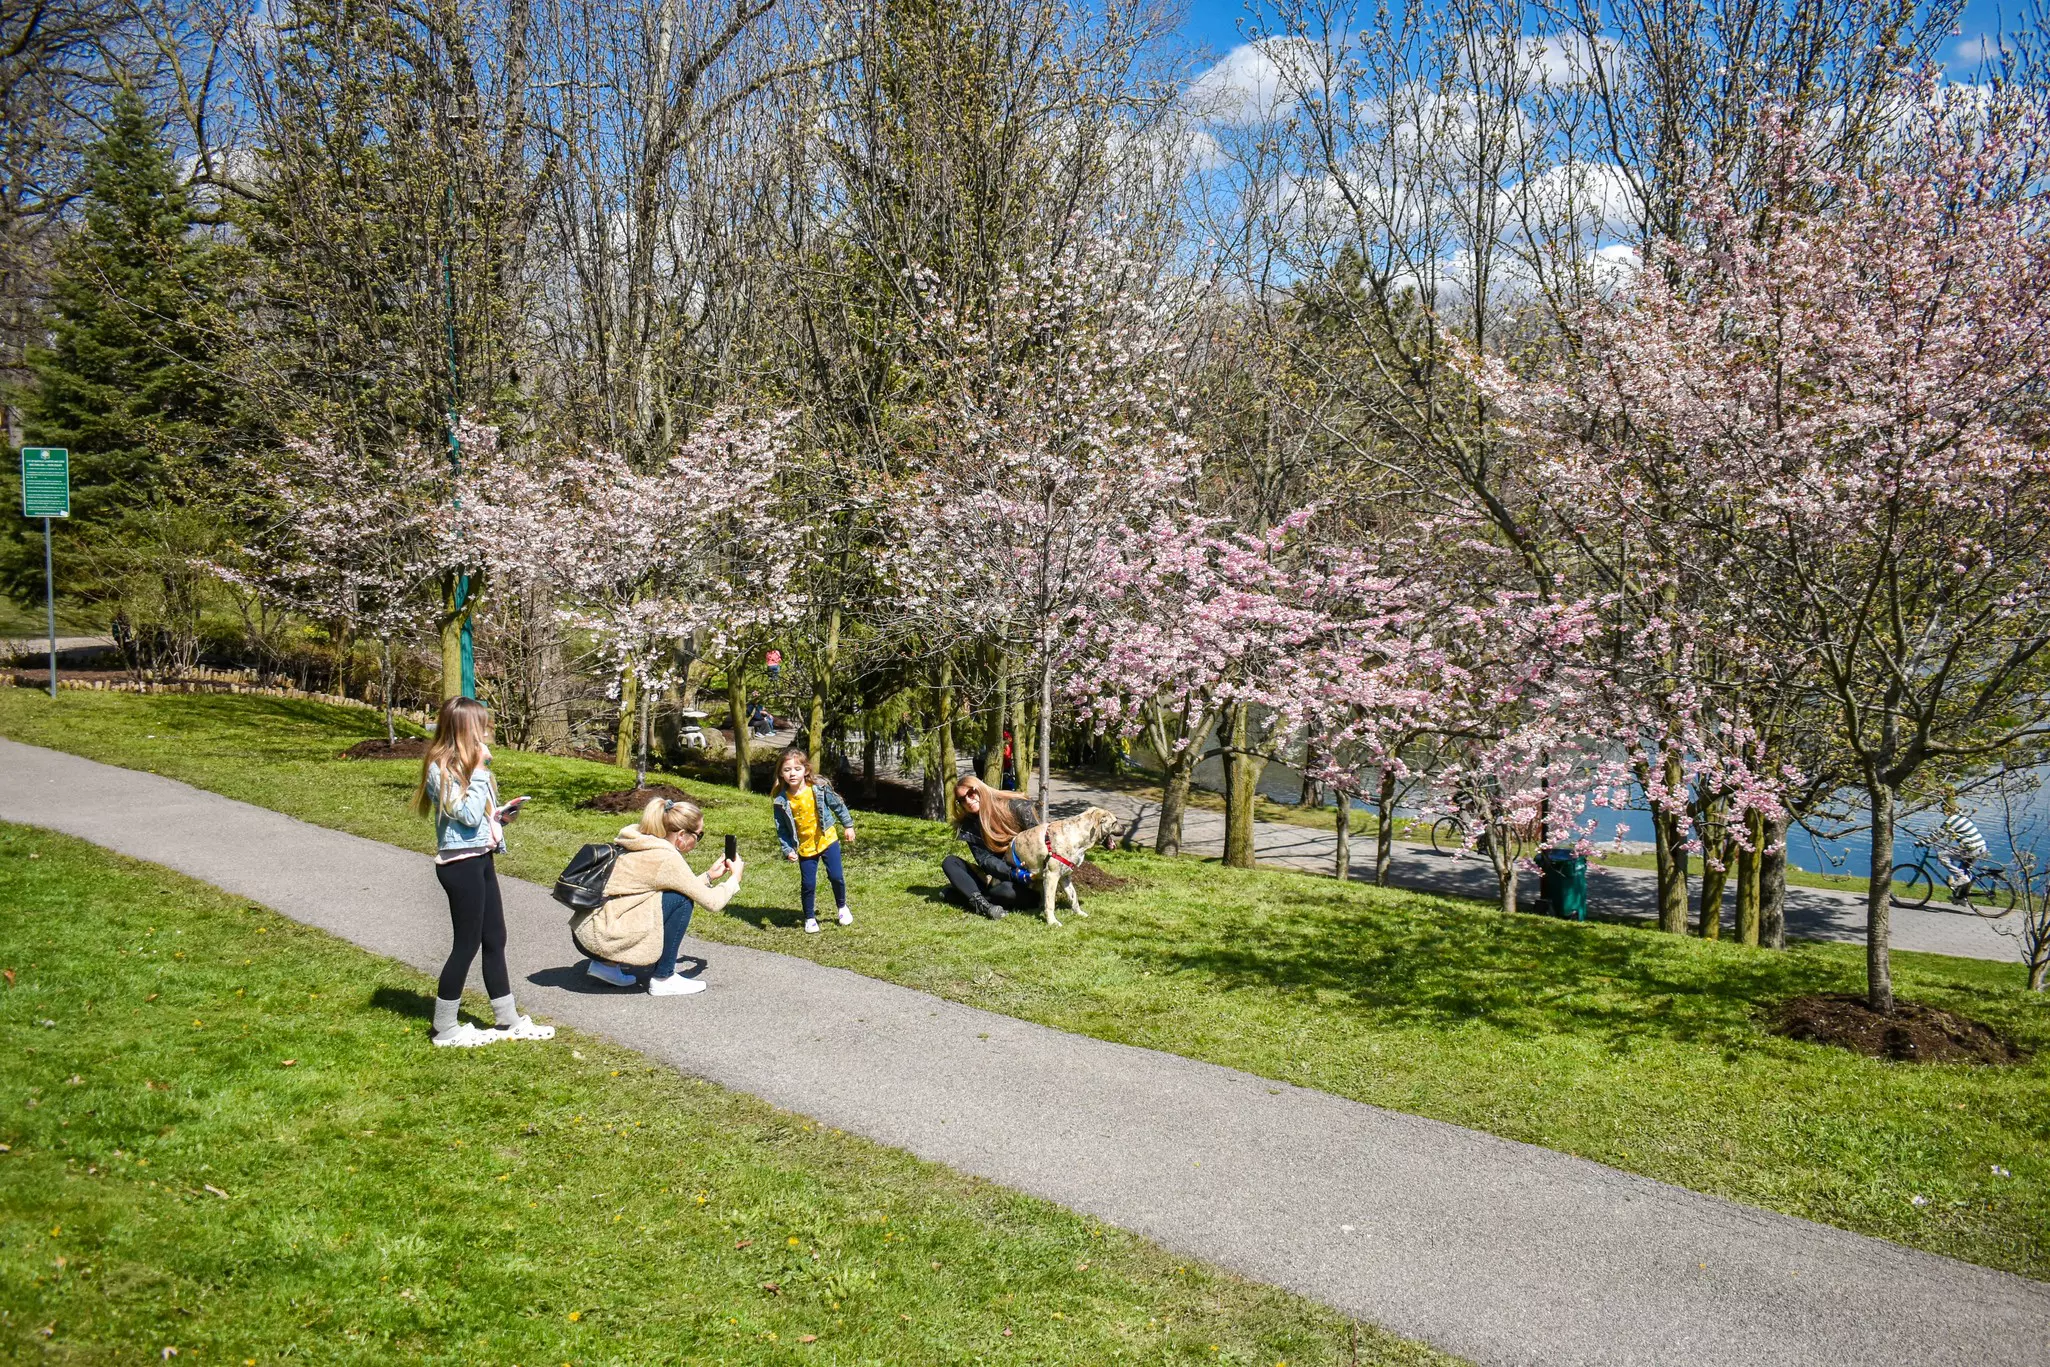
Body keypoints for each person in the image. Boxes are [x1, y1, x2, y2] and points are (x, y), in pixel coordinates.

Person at [411, 697, 554, 1048]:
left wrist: (502, 815)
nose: (488, 731)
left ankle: (508, 1021)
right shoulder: (441, 767)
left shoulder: (473, 765)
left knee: (495, 938)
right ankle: (444, 1029)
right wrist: (479, 772)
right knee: (467, 944)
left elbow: (480, 817)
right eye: (482, 725)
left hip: (481, 857)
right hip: (460, 865)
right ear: (464, 728)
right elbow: (468, 816)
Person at [578, 797, 744, 994]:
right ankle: (664, 978)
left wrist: (708, 877)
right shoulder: (666, 858)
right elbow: (712, 902)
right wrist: (735, 878)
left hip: (588, 932)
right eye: (699, 836)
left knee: (671, 896)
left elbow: (674, 884)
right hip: (606, 938)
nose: (698, 842)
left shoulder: (640, 840)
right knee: (682, 901)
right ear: (682, 835)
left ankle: (606, 965)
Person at [770, 747, 856, 934]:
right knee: (808, 884)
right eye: (787, 770)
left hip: (827, 839)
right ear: (781, 774)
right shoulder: (781, 801)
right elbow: (782, 829)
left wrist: (848, 826)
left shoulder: (818, 788)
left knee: (836, 876)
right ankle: (809, 918)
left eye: (797, 769)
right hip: (805, 847)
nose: (792, 773)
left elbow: (838, 805)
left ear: (806, 770)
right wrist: (788, 849)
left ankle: (842, 907)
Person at [941, 774, 1040, 920]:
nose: (968, 800)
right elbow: (985, 860)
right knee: (950, 862)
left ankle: (966, 897)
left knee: (1006, 891)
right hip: (998, 875)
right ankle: (985, 906)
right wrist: (1011, 872)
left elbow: (1040, 843)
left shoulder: (1015, 806)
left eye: (971, 793)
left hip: (1028, 880)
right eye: (962, 800)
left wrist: (1025, 872)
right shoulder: (968, 825)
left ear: (980, 789)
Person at [1934, 801, 1989, 899]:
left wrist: (1922, 842)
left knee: (1942, 855)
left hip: (1971, 848)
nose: (1943, 812)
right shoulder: (1963, 817)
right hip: (1981, 847)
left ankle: (1962, 878)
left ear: (1948, 810)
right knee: (1965, 870)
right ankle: (1962, 898)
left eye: (1944, 810)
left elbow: (1938, 834)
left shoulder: (1952, 820)